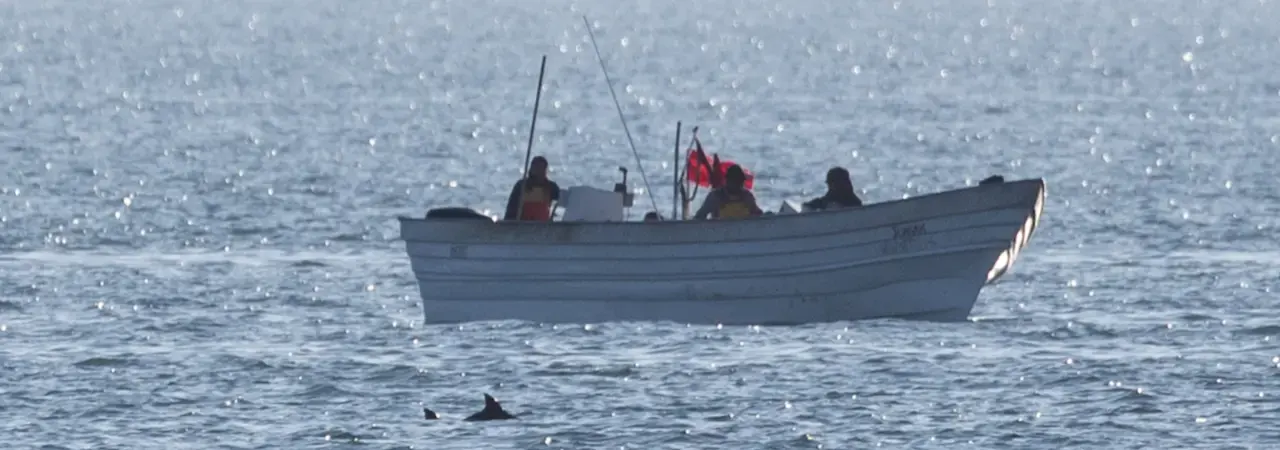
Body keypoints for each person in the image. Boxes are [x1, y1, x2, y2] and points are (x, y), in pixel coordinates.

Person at [693, 164, 763, 220]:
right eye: (736, 181)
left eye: (740, 182)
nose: (739, 185)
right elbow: (699, 217)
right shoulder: (716, 197)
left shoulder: (747, 196)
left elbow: (759, 216)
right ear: (727, 181)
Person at [503, 156, 561, 221]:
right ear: (531, 169)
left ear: (545, 171)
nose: (538, 171)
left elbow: (562, 199)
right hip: (524, 225)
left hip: (544, 226)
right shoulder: (521, 186)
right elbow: (511, 211)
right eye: (536, 168)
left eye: (541, 169)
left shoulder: (551, 187)